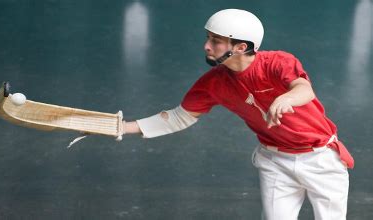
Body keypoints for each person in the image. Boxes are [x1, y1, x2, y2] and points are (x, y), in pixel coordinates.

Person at [121, 9, 354, 220]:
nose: (207, 46)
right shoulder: (213, 83)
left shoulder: (277, 62)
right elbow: (178, 117)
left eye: (216, 41)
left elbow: (304, 89)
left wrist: (285, 98)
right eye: (208, 38)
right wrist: (119, 127)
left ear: (241, 47)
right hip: (275, 161)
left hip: (321, 159)